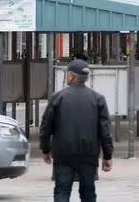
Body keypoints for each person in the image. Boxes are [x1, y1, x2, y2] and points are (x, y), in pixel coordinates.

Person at [40, 59, 113, 202]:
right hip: (89, 154)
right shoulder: (98, 99)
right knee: (88, 193)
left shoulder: (58, 98)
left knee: (62, 191)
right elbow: (105, 130)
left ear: (72, 75)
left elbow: (46, 126)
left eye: (67, 74)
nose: (67, 76)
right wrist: (107, 155)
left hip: (63, 154)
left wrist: (45, 149)